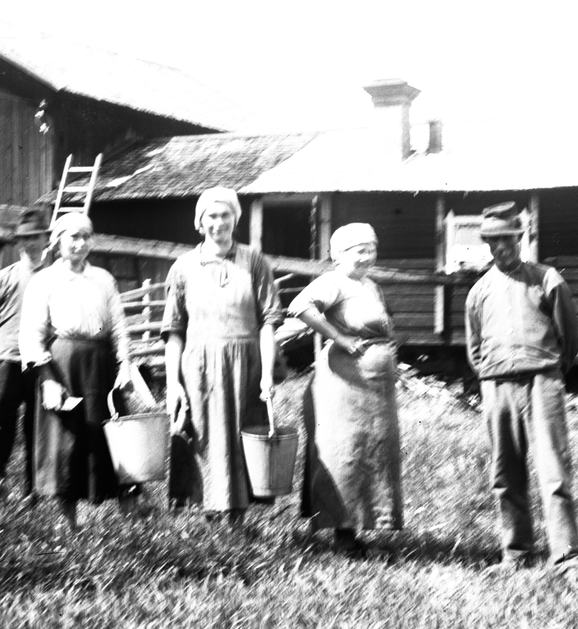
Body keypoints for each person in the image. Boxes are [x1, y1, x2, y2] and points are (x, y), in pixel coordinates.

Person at [465, 201, 578, 576]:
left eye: (508, 239)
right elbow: (474, 348)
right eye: (493, 241)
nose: (501, 247)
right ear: (486, 244)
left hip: (542, 381)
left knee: (553, 469)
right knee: (505, 472)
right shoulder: (479, 291)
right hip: (497, 385)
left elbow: (570, 336)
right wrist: (493, 374)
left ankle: (566, 556)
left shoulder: (546, 279)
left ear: (519, 239)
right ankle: (516, 552)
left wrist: (550, 370)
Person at [162, 186, 282, 530]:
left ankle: (237, 520)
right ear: (199, 223)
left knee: (244, 436)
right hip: (199, 366)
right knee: (204, 435)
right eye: (211, 216)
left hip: (247, 364)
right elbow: (174, 331)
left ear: (235, 219)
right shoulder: (183, 267)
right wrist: (172, 383)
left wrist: (267, 373)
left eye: (225, 214)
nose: (219, 223)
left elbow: (269, 321)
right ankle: (211, 519)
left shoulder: (254, 262)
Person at [290, 223, 403, 555]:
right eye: (360, 251)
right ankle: (343, 534)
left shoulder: (369, 285)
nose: (368, 256)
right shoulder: (334, 281)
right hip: (345, 384)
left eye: (372, 249)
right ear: (339, 255)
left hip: (374, 389)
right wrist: (339, 338)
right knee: (347, 453)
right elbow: (300, 305)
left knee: (373, 453)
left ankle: (362, 527)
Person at [18, 212, 136, 529]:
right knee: (66, 441)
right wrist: (47, 380)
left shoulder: (104, 279)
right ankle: (68, 524)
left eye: (86, 236)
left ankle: (131, 524)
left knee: (112, 436)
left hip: (101, 367)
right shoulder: (44, 281)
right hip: (63, 366)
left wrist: (125, 364)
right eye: (73, 236)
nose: (80, 243)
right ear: (58, 242)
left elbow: (119, 326)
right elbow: (31, 334)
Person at [0, 208, 50, 496]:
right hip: (7, 361)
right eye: (25, 237)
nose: (30, 242)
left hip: (43, 363)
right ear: (17, 242)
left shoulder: (57, 277)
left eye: (36, 236)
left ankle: (34, 490)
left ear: (46, 239)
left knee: (39, 427)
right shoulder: (2, 278)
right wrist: (4, 344)